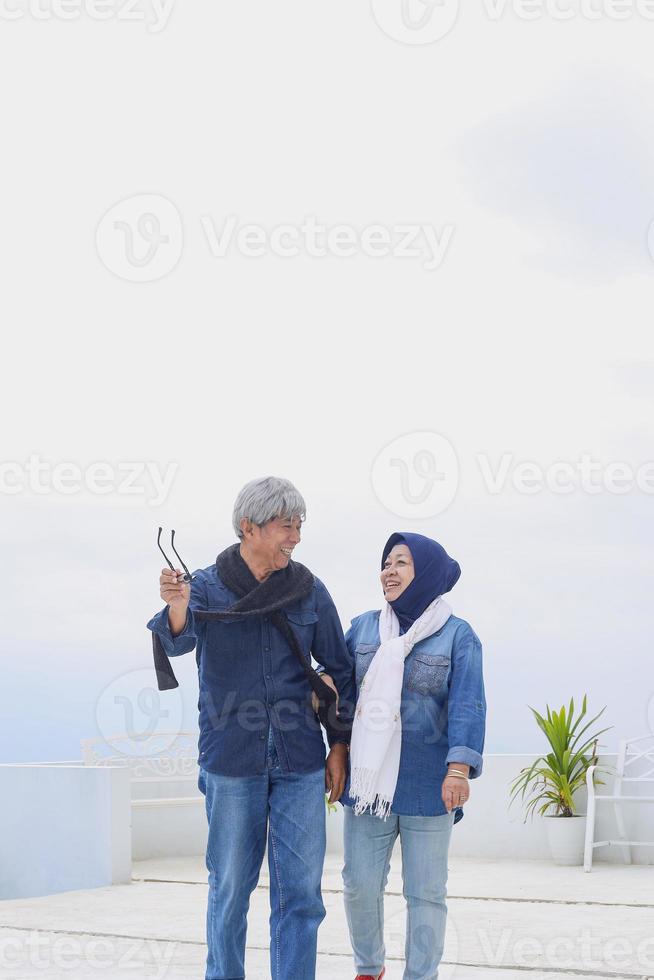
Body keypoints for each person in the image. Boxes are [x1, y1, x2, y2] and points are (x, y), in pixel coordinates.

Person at [146, 476, 356, 980]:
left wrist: (339, 746)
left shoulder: (308, 588)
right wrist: (177, 605)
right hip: (231, 762)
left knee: (301, 896)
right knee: (229, 891)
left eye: (300, 526)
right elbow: (176, 642)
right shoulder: (206, 587)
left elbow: (340, 670)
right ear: (249, 527)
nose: (296, 537)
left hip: (301, 761)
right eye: (287, 526)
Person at [336, 531, 486, 980]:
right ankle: (369, 968)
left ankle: (421, 976)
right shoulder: (364, 629)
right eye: (385, 562)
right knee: (359, 885)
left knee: (425, 893)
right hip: (369, 786)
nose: (388, 570)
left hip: (429, 785)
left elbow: (468, 703)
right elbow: (340, 691)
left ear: (427, 573)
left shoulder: (458, 635)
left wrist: (458, 769)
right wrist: (336, 749)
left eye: (401, 562)